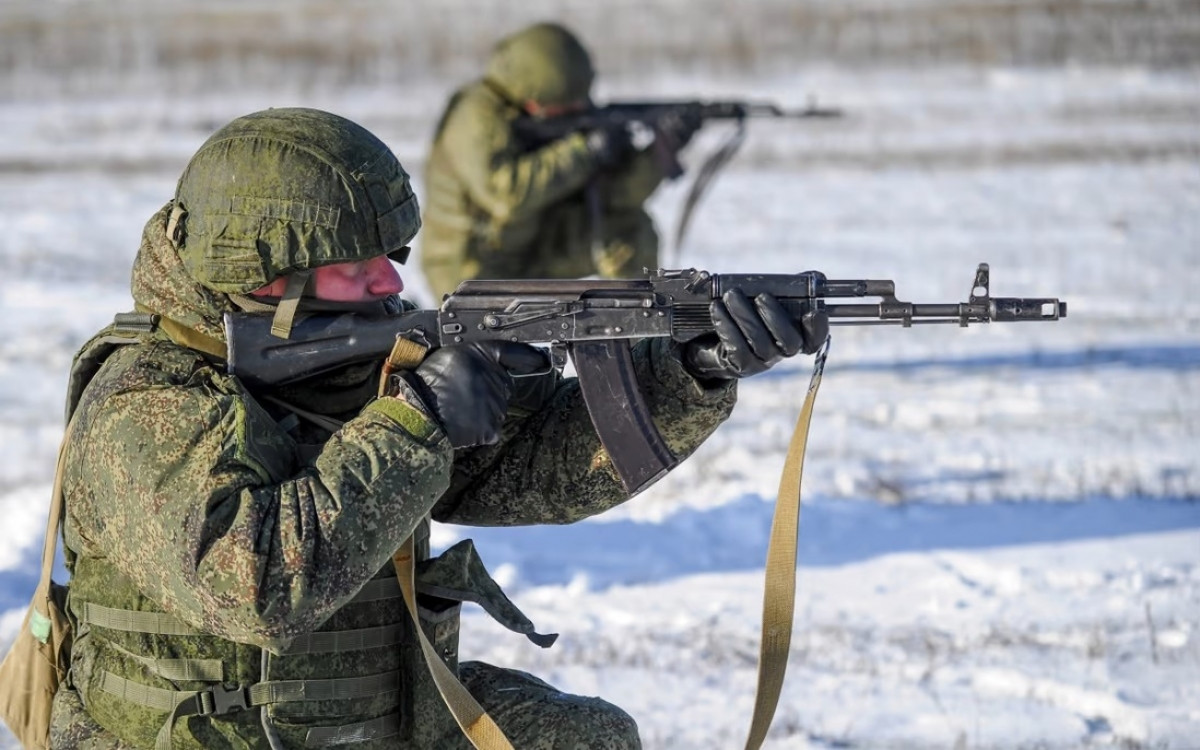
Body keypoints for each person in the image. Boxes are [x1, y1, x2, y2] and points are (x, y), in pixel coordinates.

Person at [47, 107, 826, 749]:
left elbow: (526, 469)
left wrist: (688, 369)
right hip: (207, 734)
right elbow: (256, 590)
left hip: (377, 706)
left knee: (587, 739)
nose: (391, 282)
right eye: (358, 267)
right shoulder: (144, 402)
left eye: (392, 256)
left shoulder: (353, 349)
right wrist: (416, 423)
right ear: (266, 279)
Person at [419, 22, 700, 301]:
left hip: (535, 247)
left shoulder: (554, 116)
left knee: (629, 230)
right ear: (533, 98)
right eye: (566, 106)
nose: (577, 110)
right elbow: (505, 196)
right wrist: (583, 151)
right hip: (472, 268)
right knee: (495, 346)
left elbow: (617, 196)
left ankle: (640, 335)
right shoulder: (475, 115)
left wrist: (658, 153)